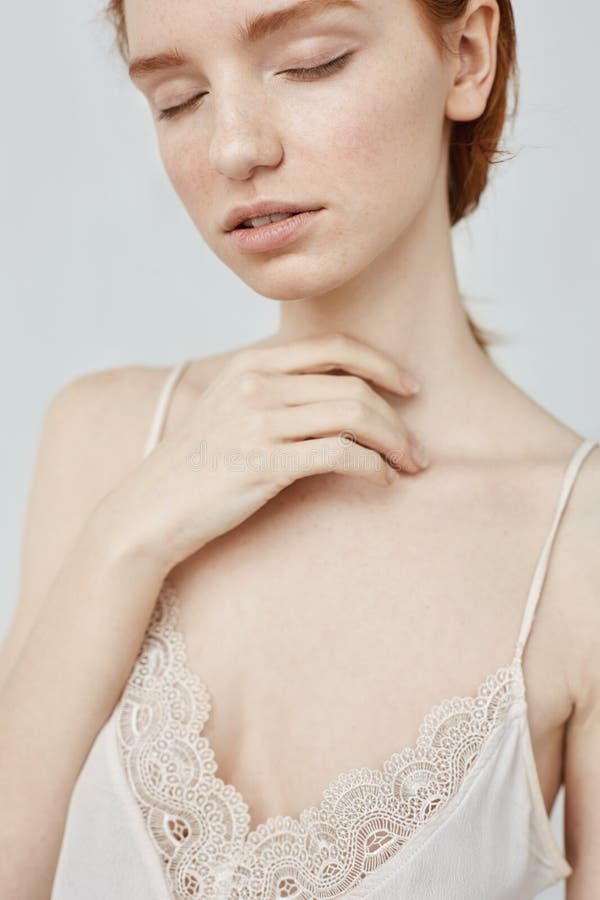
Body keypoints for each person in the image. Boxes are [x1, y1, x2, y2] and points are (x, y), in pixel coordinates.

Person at [0, 0, 598, 897]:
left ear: (469, 54)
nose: (234, 149)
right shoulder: (105, 439)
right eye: (177, 99)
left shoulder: (579, 542)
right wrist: (125, 540)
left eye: (311, 63)